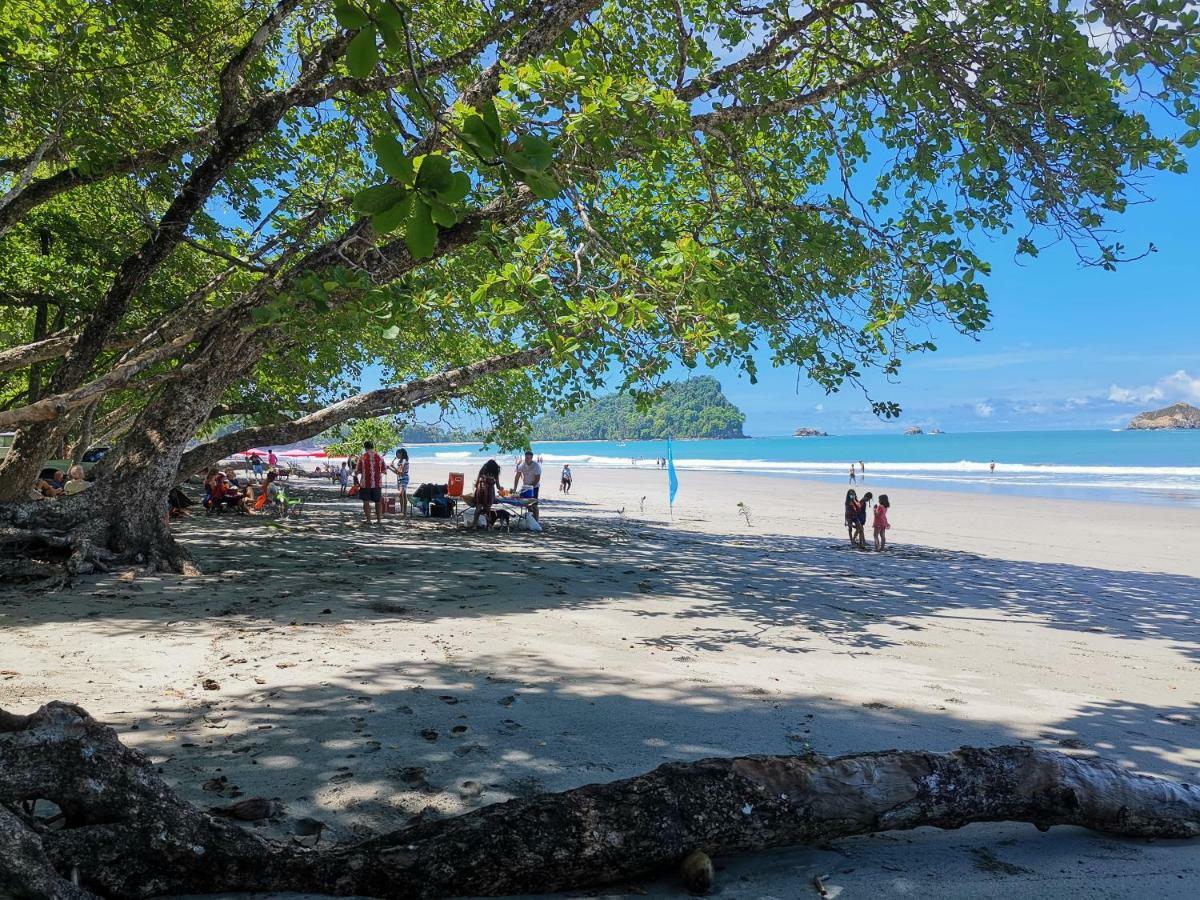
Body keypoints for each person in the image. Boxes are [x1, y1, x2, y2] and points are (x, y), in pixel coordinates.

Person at [358, 440, 386, 525]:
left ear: (365, 447)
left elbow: (358, 471)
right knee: (378, 502)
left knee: (366, 502)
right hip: (377, 483)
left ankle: (369, 520)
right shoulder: (380, 457)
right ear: (373, 447)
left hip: (365, 483)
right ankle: (379, 520)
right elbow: (384, 471)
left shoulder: (362, 457)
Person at [471, 459, 501, 529]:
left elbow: (477, 481)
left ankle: (474, 525)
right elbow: (498, 486)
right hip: (489, 492)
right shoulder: (495, 472)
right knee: (488, 509)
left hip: (481, 490)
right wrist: (501, 489)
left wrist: (476, 486)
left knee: (478, 508)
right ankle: (488, 526)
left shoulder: (483, 469)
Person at [513, 448, 542, 521]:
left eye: (528, 458)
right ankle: (531, 519)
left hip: (534, 487)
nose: (526, 459)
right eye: (526, 457)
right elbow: (517, 477)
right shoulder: (522, 465)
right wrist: (514, 488)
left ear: (531, 458)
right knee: (527, 504)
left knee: (534, 504)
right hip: (525, 487)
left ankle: (536, 520)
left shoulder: (536, 466)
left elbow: (537, 479)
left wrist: (530, 487)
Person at [390, 448, 410, 516]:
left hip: (404, 478)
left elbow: (401, 472)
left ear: (401, 453)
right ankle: (404, 512)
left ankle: (403, 512)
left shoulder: (404, 461)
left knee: (401, 494)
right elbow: (397, 473)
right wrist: (390, 468)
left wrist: (393, 466)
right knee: (403, 495)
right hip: (399, 478)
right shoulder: (400, 461)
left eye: (397, 454)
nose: (396, 455)